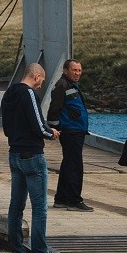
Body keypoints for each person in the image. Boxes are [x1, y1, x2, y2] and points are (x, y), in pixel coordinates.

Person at [1, 60, 63, 253]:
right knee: (39, 208)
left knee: (16, 206)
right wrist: (50, 133)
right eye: (41, 81)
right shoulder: (29, 93)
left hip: (14, 152)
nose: (40, 85)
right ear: (36, 76)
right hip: (32, 155)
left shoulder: (9, 92)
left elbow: (7, 126)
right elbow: (37, 123)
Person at [47, 58, 93, 209]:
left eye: (79, 70)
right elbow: (54, 108)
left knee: (68, 164)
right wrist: (54, 129)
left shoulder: (72, 85)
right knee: (75, 166)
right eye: (74, 70)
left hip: (76, 130)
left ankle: (61, 199)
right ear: (65, 71)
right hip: (70, 130)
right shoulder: (62, 85)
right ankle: (74, 200)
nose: (77, 73)